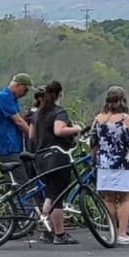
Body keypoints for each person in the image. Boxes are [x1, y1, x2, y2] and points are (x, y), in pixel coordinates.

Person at [30, 81, 85, 245]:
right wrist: (77, 128)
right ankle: (60, 234)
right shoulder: (59, 112)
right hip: (57, 157)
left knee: (51, 193)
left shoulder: (38, 113)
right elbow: (59, 130)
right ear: (60, 94)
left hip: (40, 157)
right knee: (58, 196)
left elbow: (31, 135)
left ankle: (46, 227)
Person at [91, 86, 129, 245]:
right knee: (125, 197)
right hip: (122, 163)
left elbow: (93, 143)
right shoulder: (125, 119)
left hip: (104, 163)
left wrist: (94, 161)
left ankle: (111, 231)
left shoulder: (98, 119)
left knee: (109, 198)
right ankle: (122, 233)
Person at [0, 73, 33, 182]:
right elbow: (19, 121)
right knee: (21, 181)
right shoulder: (4, 97)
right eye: (25, 90)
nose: (25, 93)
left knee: (14, 181)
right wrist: (33, 135)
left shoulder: (13, 100)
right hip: (8, 147)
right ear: (18, 85)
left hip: (15, 146)